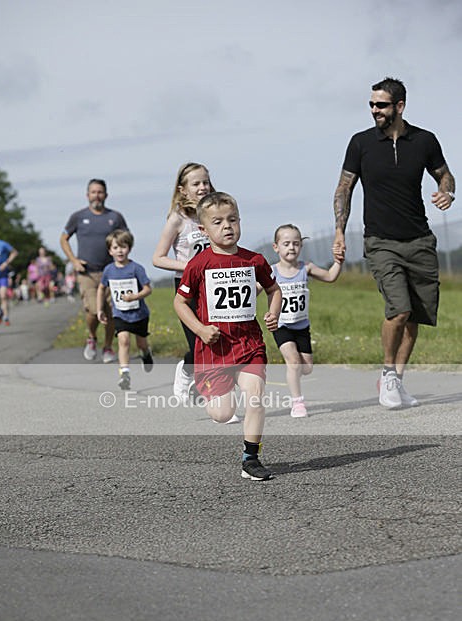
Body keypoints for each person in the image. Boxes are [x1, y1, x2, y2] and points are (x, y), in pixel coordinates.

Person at [333, 76, 456, 409]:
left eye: (381, 105)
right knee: (398, 309)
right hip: (380, 241)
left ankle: (397, 381)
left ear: (399, 106)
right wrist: (340, 231)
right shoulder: (361, 143)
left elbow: (445, 174)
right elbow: (344, 189)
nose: (375, 110)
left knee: (415, 316)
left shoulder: (425, 141)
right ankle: (387, 374)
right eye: (372, 104)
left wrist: (447, 191)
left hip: (419, 240)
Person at [174, 191, 281, 482]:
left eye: (232, 220)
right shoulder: (198, 265)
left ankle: (251, 458)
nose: (227, 226)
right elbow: (180, 303)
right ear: (203, 230)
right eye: (218, 222)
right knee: (222, 414)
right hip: (215, 349)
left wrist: (274, 312)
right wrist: (199, 329)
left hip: (249, 344)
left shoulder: (254, 260)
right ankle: (205, 387)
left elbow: (273, 289)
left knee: (256, 397)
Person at [153, 163, 215, 400]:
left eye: (205, 182)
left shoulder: (213, 213)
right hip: (187, 288)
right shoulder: (177, 219)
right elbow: (158, 258)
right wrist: (191, 266)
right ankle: (187, 371)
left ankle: (206, 390)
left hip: (213, 286)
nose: (202, 187)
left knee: (214, 339)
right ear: (182, 190)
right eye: (196, 184)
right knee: (199, 342)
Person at [270, 224, 343, 418]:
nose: (291, 248)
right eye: (286, 244)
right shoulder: (272, 272)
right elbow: (253, 291)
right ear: (276, 247)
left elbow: (330, 276)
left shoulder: (306, 268)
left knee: (306, 368)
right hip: (281, 325)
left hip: (302, 326)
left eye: (296, 243)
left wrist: (338, 261)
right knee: (293, 362)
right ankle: (298, 403)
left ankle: (294, 377)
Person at [60, 179, 129, 363]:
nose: (96, 195)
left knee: (112, 311)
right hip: (87, 273)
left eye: (100, 192)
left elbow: (127, 239)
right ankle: (92, 337)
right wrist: (73, 260)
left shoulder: (115, 217)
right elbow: (63, 239)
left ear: (105, 195)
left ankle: (107, 347)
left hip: (111, 273)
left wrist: (122, 259)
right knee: (92, 310)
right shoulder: (78, 217)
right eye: (93, 192)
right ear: (87, 195)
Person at [97, 229, 153, 390]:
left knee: (141, 343)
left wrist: (135, 297)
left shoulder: (136, 268)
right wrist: (100, 308)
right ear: (110, 251)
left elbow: (148, 289)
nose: (120, 251)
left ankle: (146, 353)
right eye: (115, 247)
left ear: (129, 248)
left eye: (123, 246)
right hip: (120, 313)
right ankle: (125, 373)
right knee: (123, 340)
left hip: (139, 313)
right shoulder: (109, 270)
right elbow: (101, 288)